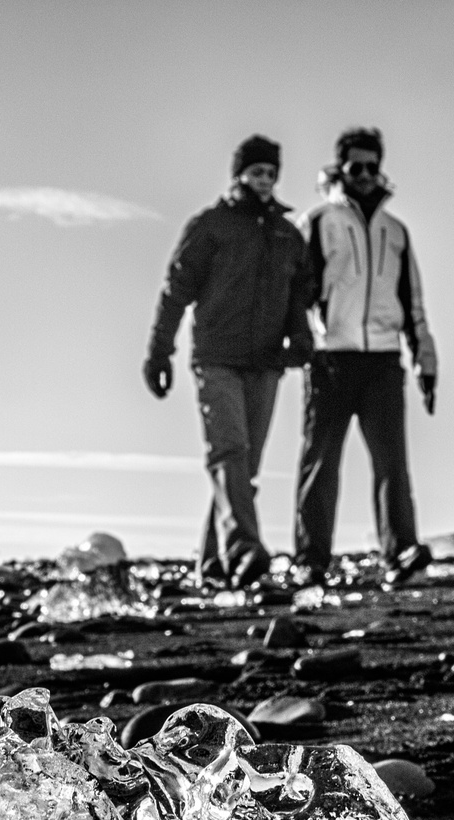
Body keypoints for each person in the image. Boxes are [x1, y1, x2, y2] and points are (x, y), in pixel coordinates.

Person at [145, 134, 313, 588]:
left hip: (266, 363)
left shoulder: (287, 235)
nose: (264, 180)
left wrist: (300, 339)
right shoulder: (210, 226)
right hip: (217, 358)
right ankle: (245, 549)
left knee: (244, 467)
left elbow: (300, 295)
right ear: (239, 174)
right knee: (229, 452)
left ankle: (214, 565)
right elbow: (176, 290)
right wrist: (160, 351)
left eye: (270, 173)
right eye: (256, 171)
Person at [294, 126, 438, 586]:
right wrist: (298, 342)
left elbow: (412, 302)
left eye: (373, 167)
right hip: (331, 359)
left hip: (383, 361)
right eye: (357, 167)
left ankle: (399, 553)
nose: (366, 175)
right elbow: (298, 292)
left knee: (392, 463)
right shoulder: (318, 222)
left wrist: (426, 363)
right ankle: (311, 562)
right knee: (321, 462)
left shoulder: (397, 232)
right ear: (342, 168)